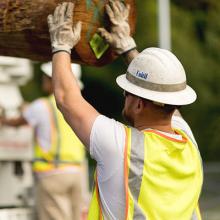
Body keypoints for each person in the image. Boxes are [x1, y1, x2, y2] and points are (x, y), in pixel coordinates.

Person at [47, 1, 203, 220]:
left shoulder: (122, 147)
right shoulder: (189, 145)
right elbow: (164, 95)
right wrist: (127, 47)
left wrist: (61, 45)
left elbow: (66, 99)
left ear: (139, 104)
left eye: (127, 93)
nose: (124, 96)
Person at [0, 62, 87, 220]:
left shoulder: (42, 105)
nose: (43, 81)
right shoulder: (80, 107)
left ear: (54, 80)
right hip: (76, 172)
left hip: (52, 174)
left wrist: (3, 120)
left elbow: (17, 122)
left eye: (46, 78)